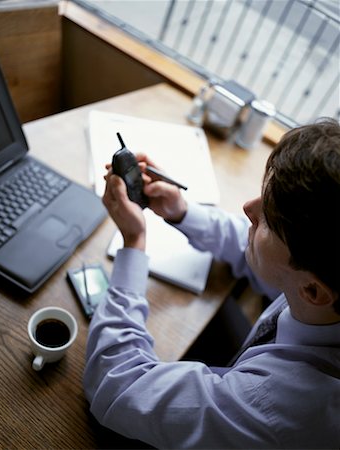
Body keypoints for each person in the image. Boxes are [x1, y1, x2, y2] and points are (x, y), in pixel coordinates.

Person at [83, 118, 340, 449]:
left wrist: (133, 241)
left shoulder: (273, 408)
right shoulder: (327, 285)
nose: (247, 208)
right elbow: (255, 249)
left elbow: (114, 385)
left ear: (312, 291)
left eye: (270, 220)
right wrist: (181, 212)